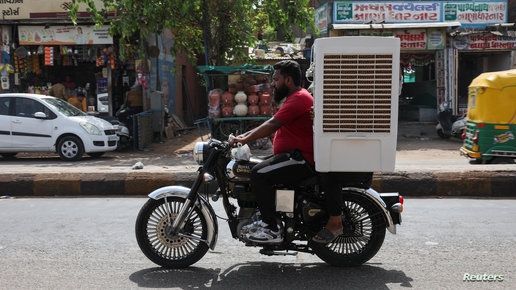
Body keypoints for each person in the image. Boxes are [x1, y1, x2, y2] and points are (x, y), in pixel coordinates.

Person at [230, 60, 314, 244]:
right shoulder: (294, 98)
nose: (273, 84)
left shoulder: (299, 98)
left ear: (288, 80)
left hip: (300, 159)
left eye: (276, 79)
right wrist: (242, 136)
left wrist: (244, 140)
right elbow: (271, 122)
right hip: (291, 156)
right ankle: (265, 218)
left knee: (258, 174)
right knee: (257, 167)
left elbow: (272, 125)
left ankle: (271, 227)